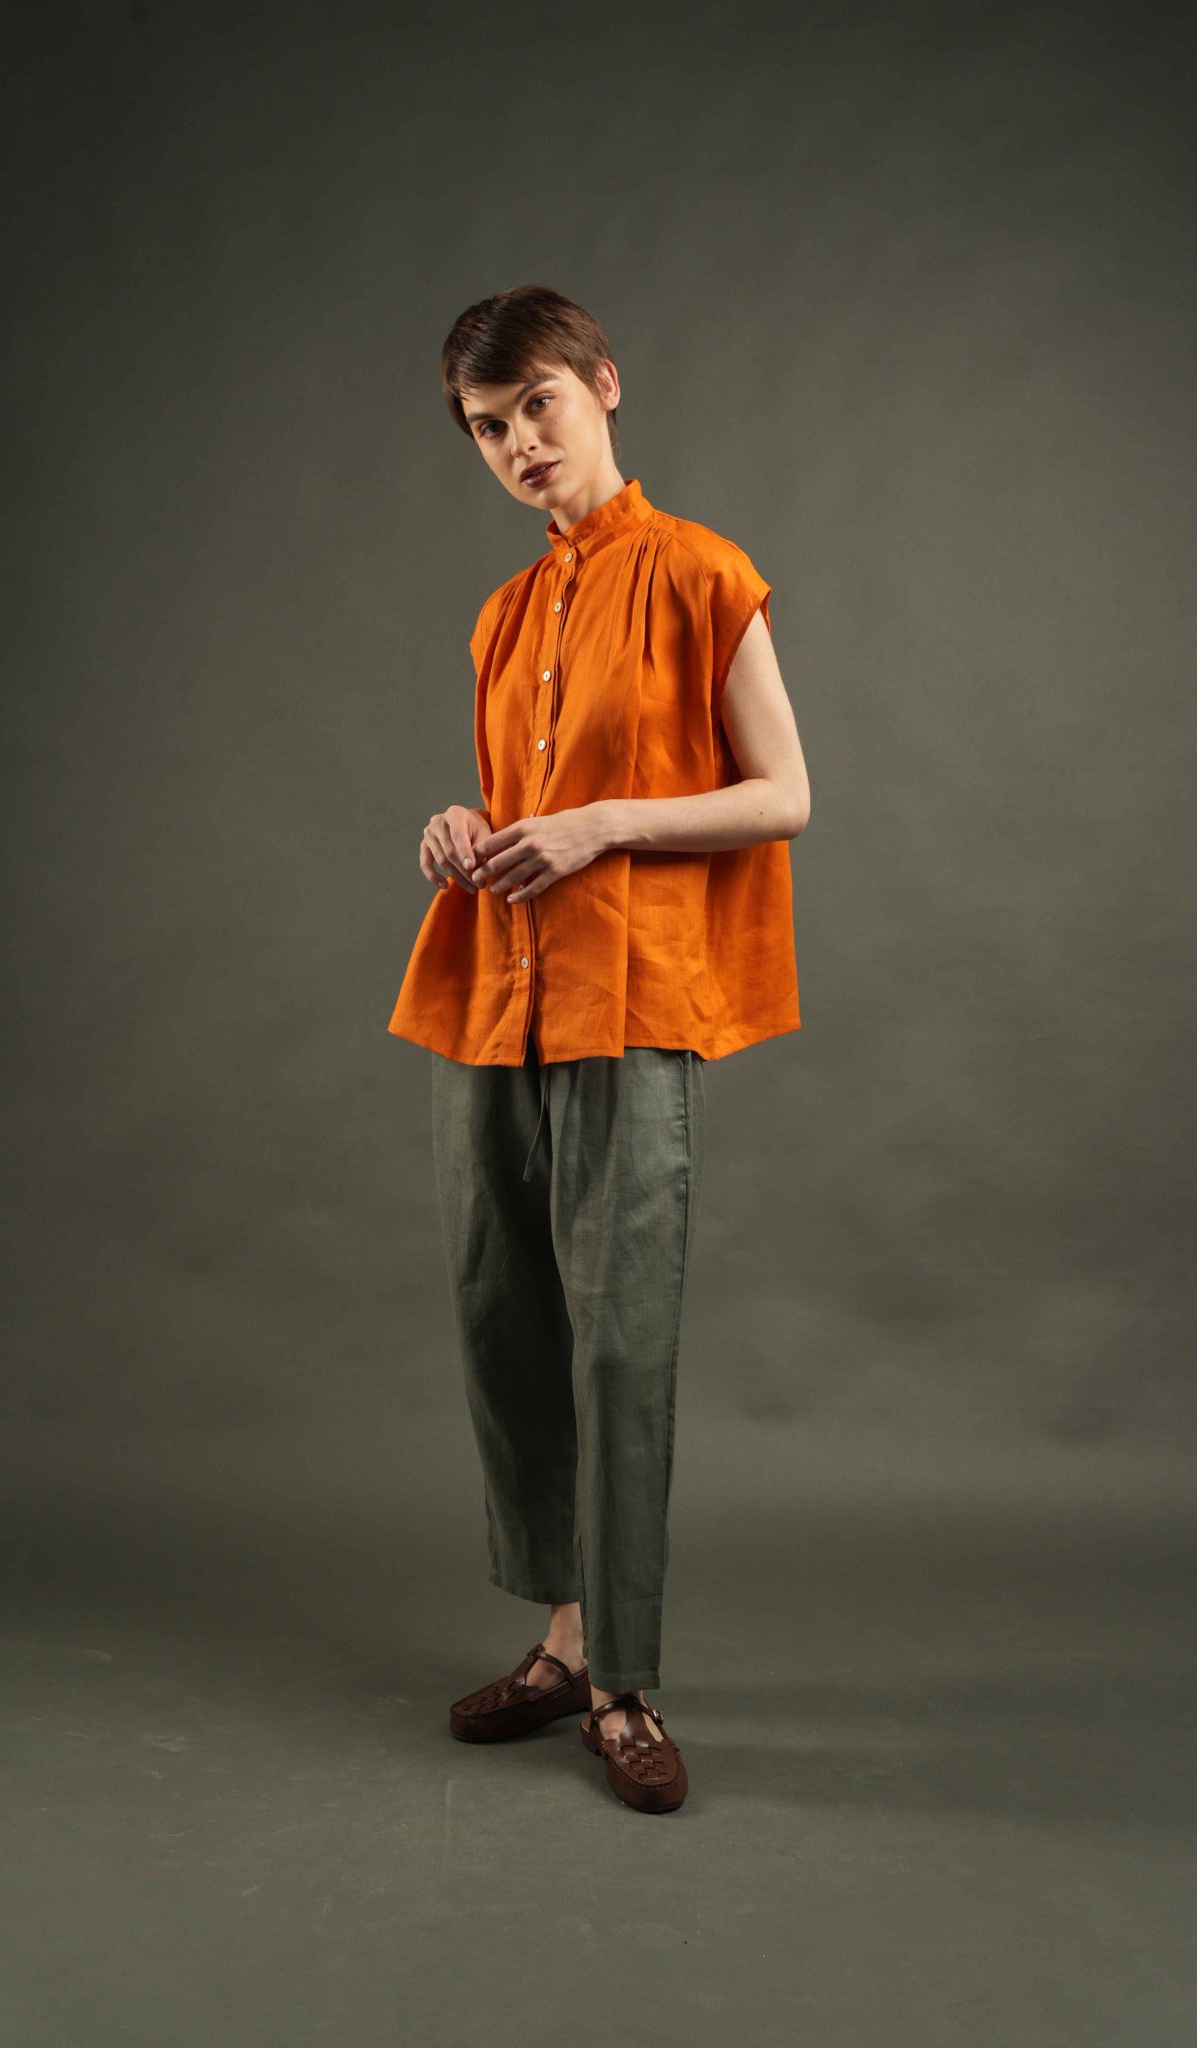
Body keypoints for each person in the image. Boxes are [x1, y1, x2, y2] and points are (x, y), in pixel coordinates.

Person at [388, 284, 811, 1813]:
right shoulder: (504, 613)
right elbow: (519, 807)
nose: (518, 442)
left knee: (617, 1337)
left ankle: (626, 1684)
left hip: (630, 997)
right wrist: (466, 826)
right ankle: (563, 1646)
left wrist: (601, 825)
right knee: (503, 1317)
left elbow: (783, 795)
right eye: (486, 426)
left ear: (602, 386)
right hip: (492, 997)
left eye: (537, 406)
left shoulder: (701, 571)